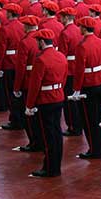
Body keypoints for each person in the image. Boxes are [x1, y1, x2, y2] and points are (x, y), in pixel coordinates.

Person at [26, 29, 68, 177]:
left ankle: (50, 167)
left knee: (47, 135)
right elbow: (64, 78)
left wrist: (30, 104)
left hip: (45, 99)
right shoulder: (61, 56)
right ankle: (55, 165)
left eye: (38, 41)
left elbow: (35, 84)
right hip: (58, 96)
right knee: (56, 133)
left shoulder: (41, 59)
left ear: (42, 42)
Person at [72, 16, 101, 159]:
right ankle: (98, 146)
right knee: (99, 117)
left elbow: (80, 70)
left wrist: (76, 88)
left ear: (84, 28)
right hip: (100, 81)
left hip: (88, 84)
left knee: (89, 119)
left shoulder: (82, 46)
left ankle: (94, 149)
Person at [12, 15, 41, 152]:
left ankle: (34, 141)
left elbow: (21, 66)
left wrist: (17, 86)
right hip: (41, 79)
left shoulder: (25, 42)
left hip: (28, 80)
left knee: (28, 115)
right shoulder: (41, 38)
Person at [0, 4, 25, 130]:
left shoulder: (5, 28)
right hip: (19, 61)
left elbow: (2, 49)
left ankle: (15, 119)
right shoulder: (22, 26)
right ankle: (21, 117)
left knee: (11, 93)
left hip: (8, 63)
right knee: (20, 92)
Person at [57, 7, 83, 136]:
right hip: (77, 67)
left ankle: (73, 126)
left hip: (68, 69)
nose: (60, 19)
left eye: (62, 17)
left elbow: (62, 55)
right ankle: (78, 124)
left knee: (69, 101)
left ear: (66, 18)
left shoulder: (65, 33)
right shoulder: (79, 30)